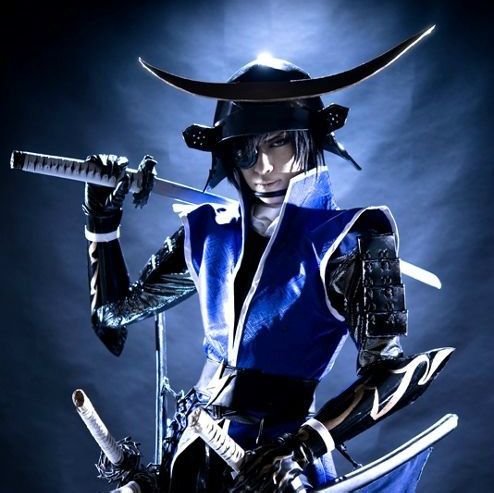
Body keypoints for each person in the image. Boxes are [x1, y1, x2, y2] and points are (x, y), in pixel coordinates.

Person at [83, 28, 453, 492]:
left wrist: (302, 445)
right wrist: (101, 221)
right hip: (191, 460)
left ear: (310, 138)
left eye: (279, 142)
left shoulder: (350, 239)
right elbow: (112, 317)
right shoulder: (208, 233)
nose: (264, 167)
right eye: (246, 149)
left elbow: (393, 373)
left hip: (276, 469)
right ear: (227, 154)